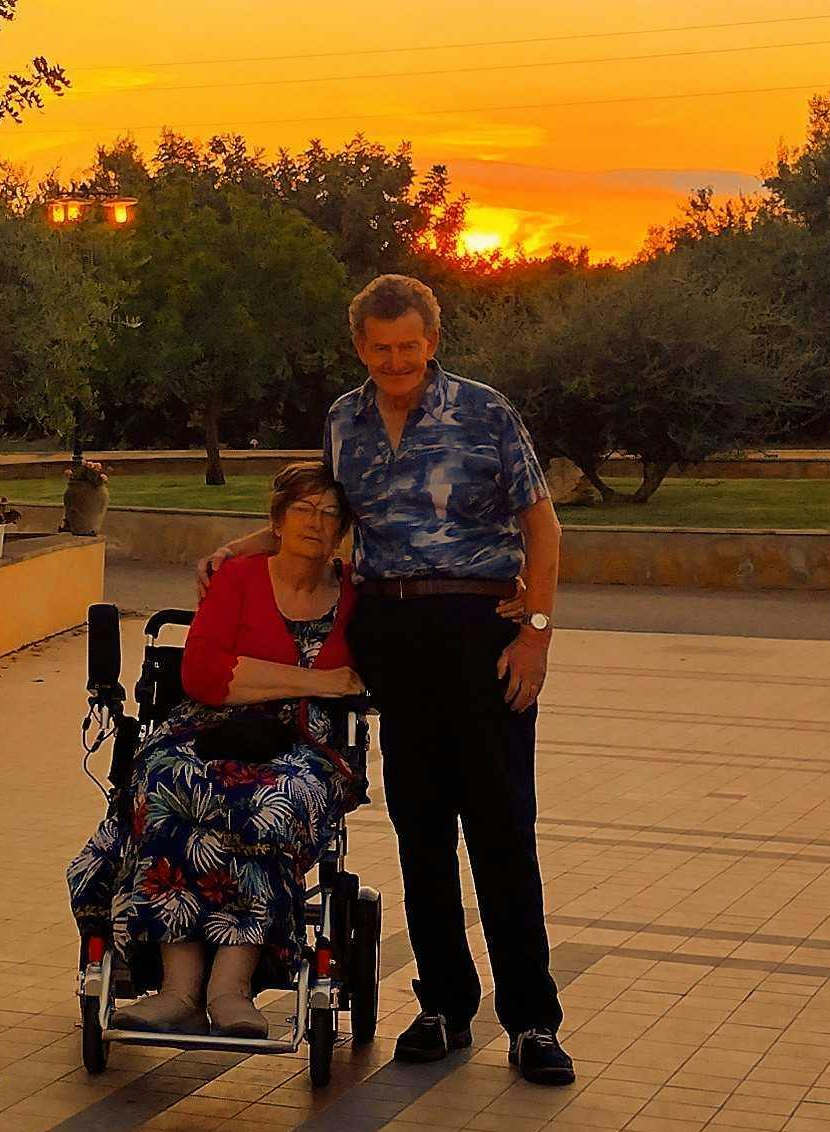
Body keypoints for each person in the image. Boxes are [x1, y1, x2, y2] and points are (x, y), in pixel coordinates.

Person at [219, 273, 572, 1084]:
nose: (396, 361)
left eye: (408, 347)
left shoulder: (486, 413)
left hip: (482, 630)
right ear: (360, 349)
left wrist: (538, 634)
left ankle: (532, 1020)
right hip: (391, 630)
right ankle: (443, 1004)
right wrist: (242, 551)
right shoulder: (344, 420)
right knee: (421, 828)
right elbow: (322, 521)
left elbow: (542, 525)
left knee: (501, 829)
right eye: (380, 350)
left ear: (432, 341)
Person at [70, 460, 365, 1036]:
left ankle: (232, 988)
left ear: (344, 531)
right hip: (204, 728)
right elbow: (204, 676)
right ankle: (178, 989)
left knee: (274, 801)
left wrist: (257, 677)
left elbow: (373, 673)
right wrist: (322, 681)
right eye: (302, 509)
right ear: (278, 521)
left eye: (330, 513)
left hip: (307, 746)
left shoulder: (358, 595)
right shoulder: (238, 578)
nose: (315, 521)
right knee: (167, 785)